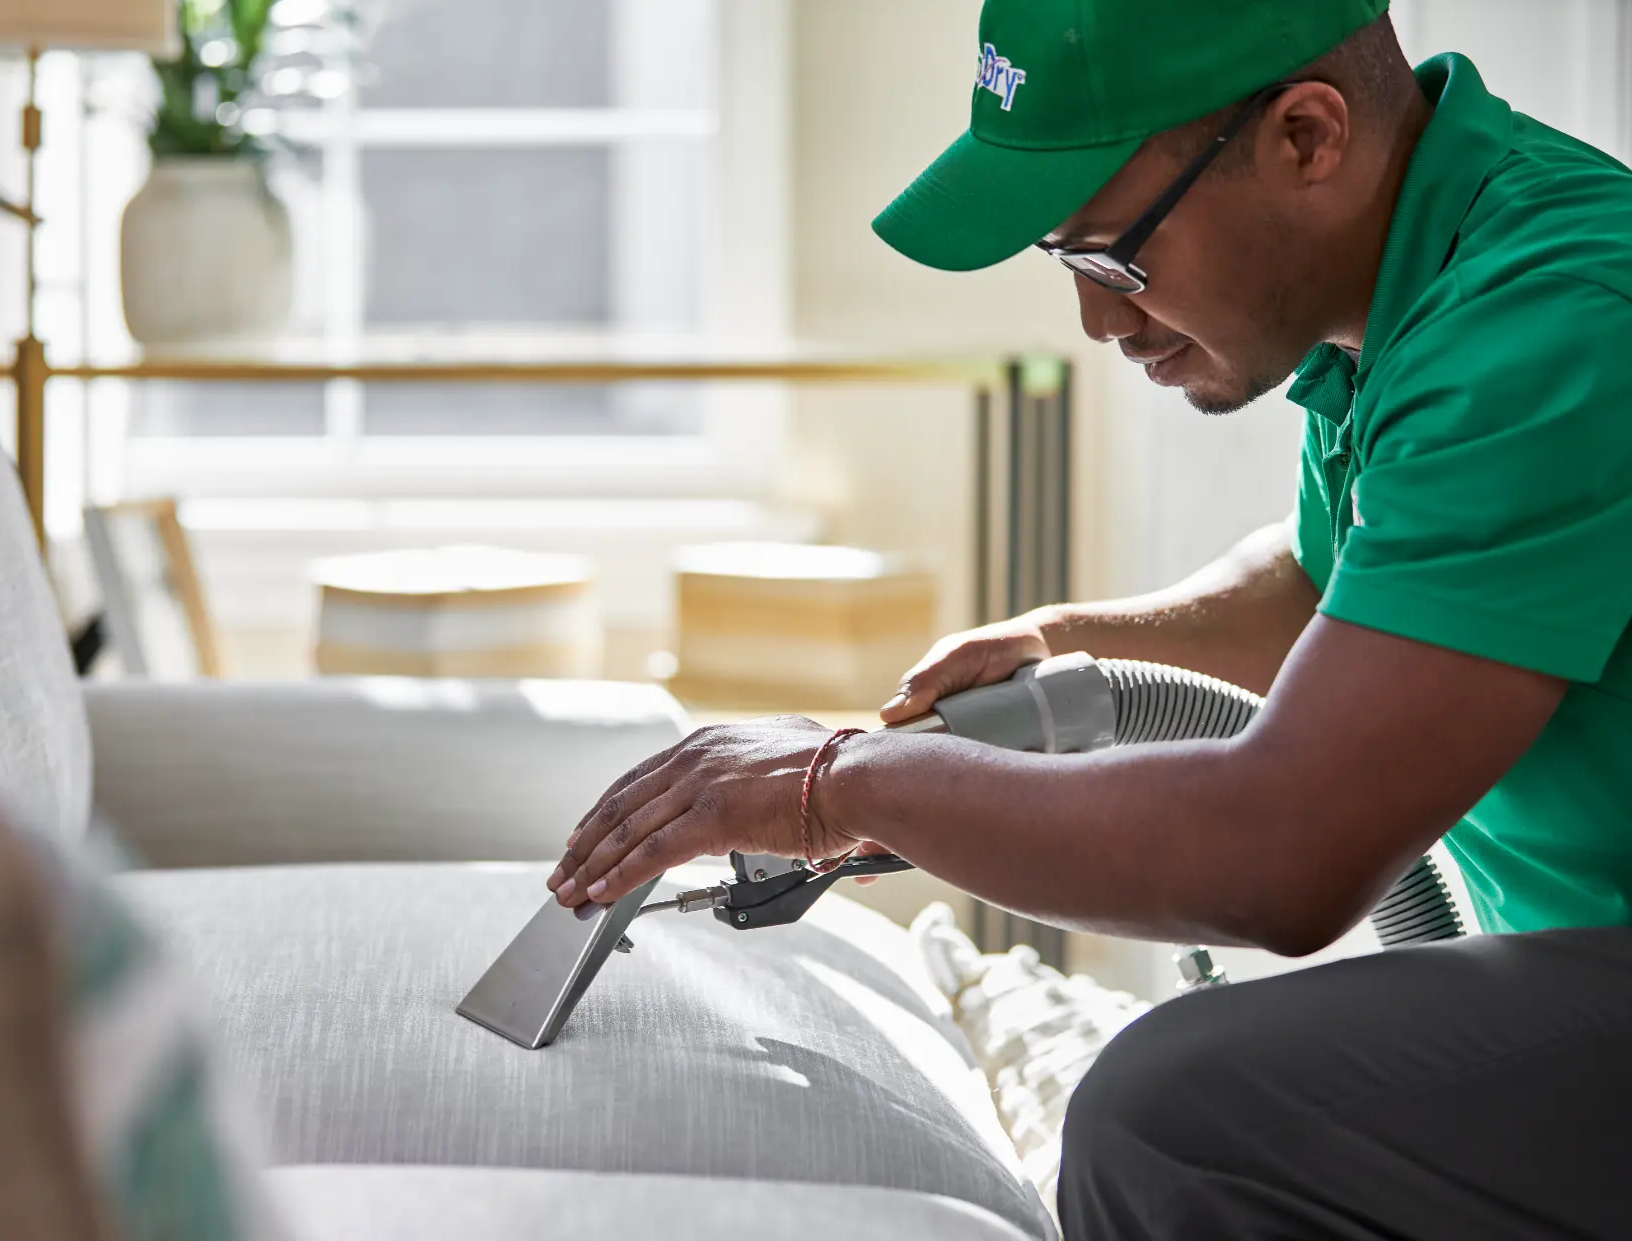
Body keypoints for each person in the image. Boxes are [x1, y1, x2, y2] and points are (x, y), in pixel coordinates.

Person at [549, 1, 1632, 1235]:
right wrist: (1071, 645)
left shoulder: (1552, 321)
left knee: (1183, 1115)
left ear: (1305, 135)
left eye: (1116, 259)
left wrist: (836, 784)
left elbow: (1280, 859)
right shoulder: (1420, 273)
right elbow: (1350, 579)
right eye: (1063, 264)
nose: (1099, 322)